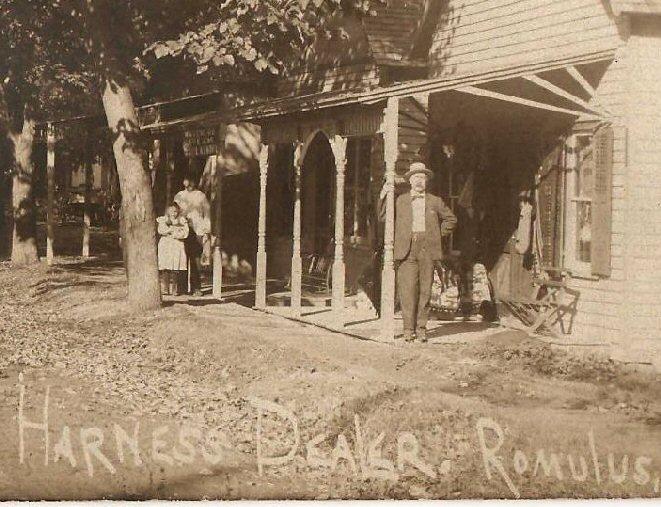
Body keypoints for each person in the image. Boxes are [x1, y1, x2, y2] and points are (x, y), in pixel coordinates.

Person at [380, 162, 457, 343]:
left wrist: (437, 235)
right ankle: (408, 329)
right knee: (407, 291)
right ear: (410, 180)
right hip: (406, 250)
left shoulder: (434, 201)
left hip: (427, 249)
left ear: (426, 181)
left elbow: (451, 219)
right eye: (415, 177)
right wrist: (383, 195)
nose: (419, 181)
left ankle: (421, 329)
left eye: (422, 178)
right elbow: (383, 217)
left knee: (425, 290)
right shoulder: (401, 200)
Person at [174, 177, 211, 296]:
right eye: (186, 180)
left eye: (191, 180)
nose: (189, 182)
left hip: (197, 230)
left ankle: (196, 288)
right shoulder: (179, 196)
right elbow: (173, 212)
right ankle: (181, 288)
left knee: (195, 260)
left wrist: (206, 230)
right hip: (182, 230)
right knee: (181, 259)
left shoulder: (201, 196)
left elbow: (207, 214)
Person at [156, 203, 189, 295]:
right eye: (171, 211)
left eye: (175, 211)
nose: (173, 213)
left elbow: (185, 233)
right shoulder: (163, 220)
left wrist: (175, 234)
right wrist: (171, 230)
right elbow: (161, 230)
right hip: (166, 244)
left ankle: (175, 289)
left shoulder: (182, 220)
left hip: (176, 244)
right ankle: (165, 288)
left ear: (178, 211)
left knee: (175, 266)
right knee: (165, 266)